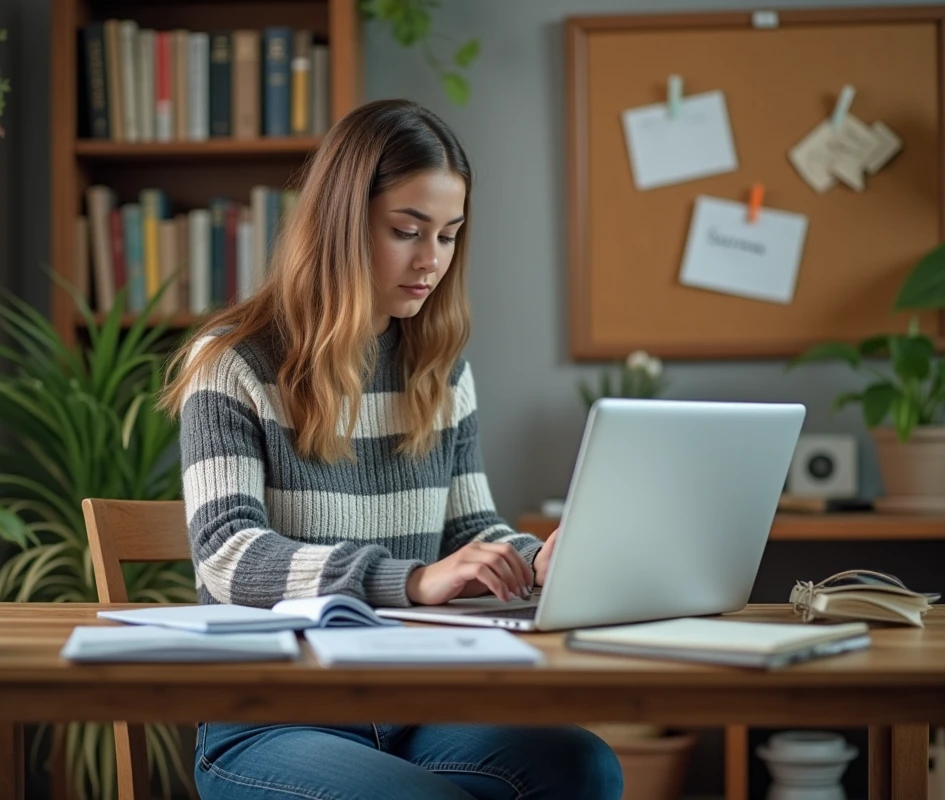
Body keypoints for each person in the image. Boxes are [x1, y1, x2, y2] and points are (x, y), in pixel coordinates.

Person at [158, 98, 624, 800]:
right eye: (407, 231)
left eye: (449, 235)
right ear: (342, 225)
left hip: (411, 708)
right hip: (269, 720)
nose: (431, 260)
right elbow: (228, 554)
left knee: (583, 767)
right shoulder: (231, 362)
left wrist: (534, 558)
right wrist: (407, 580)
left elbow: (472, 531)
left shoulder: (438, 367)